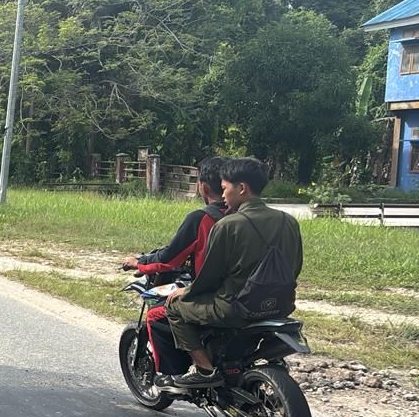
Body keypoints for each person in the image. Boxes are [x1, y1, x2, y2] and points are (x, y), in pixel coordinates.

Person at [165, 157, 303, 390]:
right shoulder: (288, 221)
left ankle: (204, 370)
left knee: (174, 307)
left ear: (241, 189)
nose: (224, 194)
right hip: (281, 305)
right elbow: (295, 267)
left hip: (236, 308)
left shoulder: (229, 225)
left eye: (225, 188)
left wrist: (185, 292)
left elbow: (210, 277)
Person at [121, 156, 228, 378]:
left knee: (158, 313)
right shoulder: (248, 216)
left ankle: (182, 374)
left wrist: (139, 262)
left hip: (215, 295)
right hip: (253, 294)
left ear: (204, 186)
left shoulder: (202, 218)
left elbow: (170, 258)